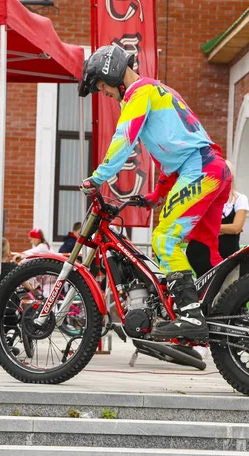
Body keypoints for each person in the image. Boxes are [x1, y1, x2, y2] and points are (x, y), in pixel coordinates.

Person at [77, 45, 232, 343]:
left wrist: (98, 178)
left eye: (102, 86)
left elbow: (125, 139)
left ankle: (190, 317)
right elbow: (171, 151)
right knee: (202, 252)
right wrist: (156, 194)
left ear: (112, 74)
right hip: (212, 168)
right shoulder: (157, 91)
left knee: (163, 239)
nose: (105, 94)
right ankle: (213, 313)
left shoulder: (139, 93)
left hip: (200, 170)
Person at [187, 160, 249, 269]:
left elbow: (236, 228)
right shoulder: (204, 198)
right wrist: (223, 229)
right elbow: (194, 226)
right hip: (202, 254)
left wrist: (210, 229)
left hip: (229, 254)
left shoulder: (240, 199)